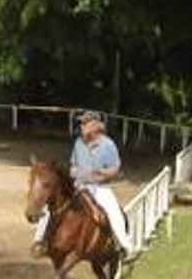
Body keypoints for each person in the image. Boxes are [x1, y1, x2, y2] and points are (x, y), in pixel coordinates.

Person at [32, 110, 135, 260]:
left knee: (113, 211)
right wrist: (74, 172)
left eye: (85, 123)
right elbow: (73, 163)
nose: (81, 126)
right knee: (52, 205)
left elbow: (115, 167)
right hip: (79, 185)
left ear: (95, 125)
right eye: (81, 123)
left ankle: (125, 246)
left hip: (99, 188)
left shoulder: (108, 145)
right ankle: (40, 240)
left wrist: (104, 174)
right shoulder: (79, 143)